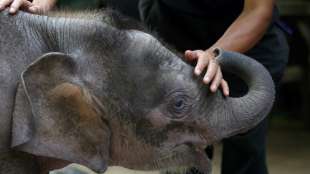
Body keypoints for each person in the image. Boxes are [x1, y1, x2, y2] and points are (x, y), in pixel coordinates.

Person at [0, 0, 289, 174]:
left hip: (243, 46)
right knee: (179, 155)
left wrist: (212, 57)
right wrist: (38, 3)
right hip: (175, 38)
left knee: (244, 152)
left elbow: (257, 12)